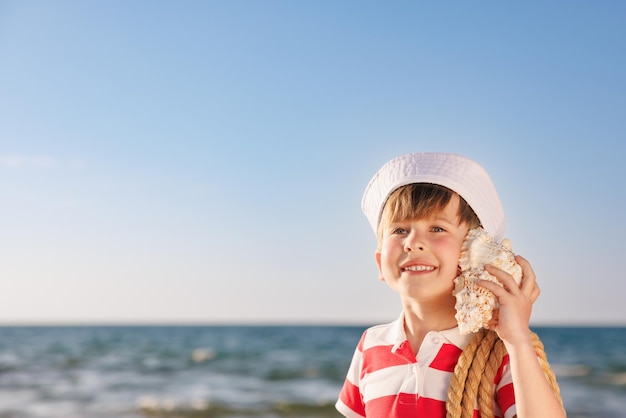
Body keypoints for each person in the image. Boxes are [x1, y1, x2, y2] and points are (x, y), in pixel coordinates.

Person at [335, 152, 564, 418]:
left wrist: (518, 340)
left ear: (472, 252)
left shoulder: (503, 352)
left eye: (437, 229)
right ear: (379, 264)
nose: (412, 242)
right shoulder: (371, 345)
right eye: (399, 230)